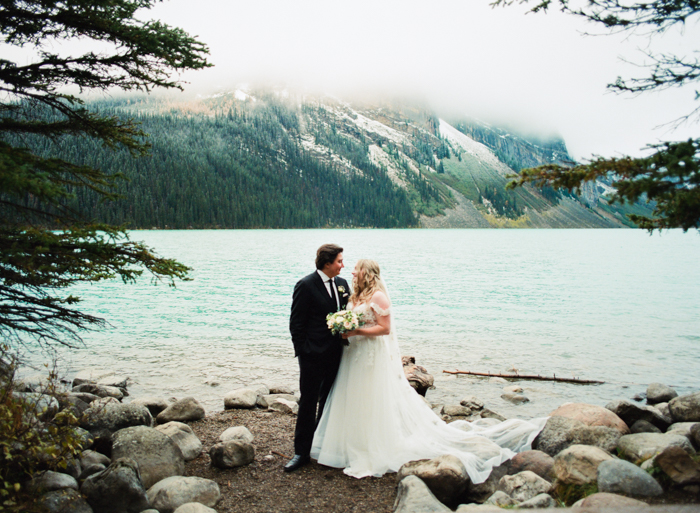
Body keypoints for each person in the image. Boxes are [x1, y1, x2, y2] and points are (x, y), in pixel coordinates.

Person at [310, 259, 547, 481]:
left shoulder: (379, 296)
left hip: (369, 354)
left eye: (356, 269)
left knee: (370, 398)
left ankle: (371, 446)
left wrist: (357, 331)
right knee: (352, 396)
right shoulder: (357, 294)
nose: (351, 271)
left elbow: (384, 329)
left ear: (366, 273)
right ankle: (348, 444)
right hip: (354, 355)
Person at [286, 244, 351, 472]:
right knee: (308, 401)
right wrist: (303, 351)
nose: (343, 265)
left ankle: (321, 444)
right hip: (312, 355)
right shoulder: (305, 285)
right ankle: (301, 452)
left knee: (329, 399)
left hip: (337, 353)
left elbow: (348, 314)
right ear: (327, 263)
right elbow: (296, 323)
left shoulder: (342, 285)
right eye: (339, 261)